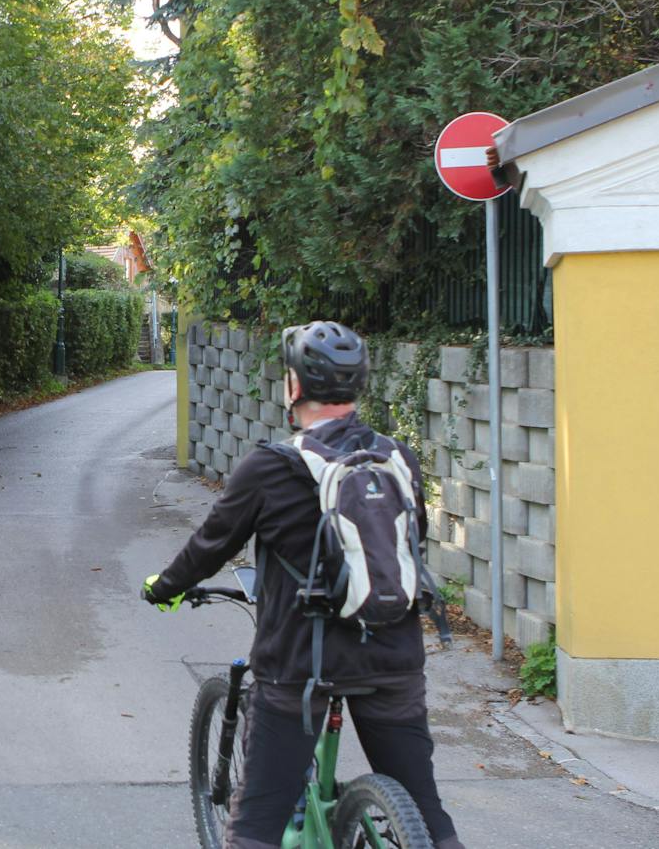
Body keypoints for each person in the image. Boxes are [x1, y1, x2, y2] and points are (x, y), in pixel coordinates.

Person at [142, 321, 465, 849]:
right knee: (428, 816)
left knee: (256, 828)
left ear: (293, 387)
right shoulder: (398, 459)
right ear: (358, 385)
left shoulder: (270, 468)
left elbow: (210, 546)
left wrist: (164, 587)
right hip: (394, 657)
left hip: (300, 669)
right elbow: (410, 547)